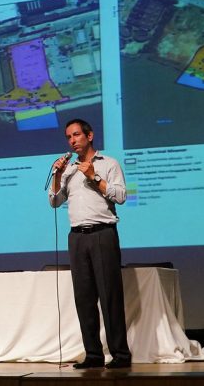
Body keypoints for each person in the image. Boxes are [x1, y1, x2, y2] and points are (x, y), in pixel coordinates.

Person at [49, 118, 131, 369]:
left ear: (90, 136)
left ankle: (120, 354)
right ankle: (93, 354)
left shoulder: (108, 164)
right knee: (84, 298)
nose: (72, 141)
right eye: (68, 137)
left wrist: (94, 177)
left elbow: (121, 196)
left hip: (102, 234)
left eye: (76, 135)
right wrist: (58, 175)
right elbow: (54, 201)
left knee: (109, 296)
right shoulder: (69, 170)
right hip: (77, 237)